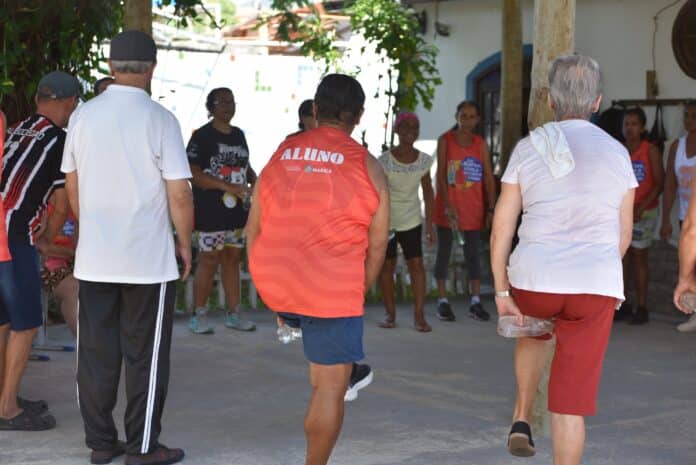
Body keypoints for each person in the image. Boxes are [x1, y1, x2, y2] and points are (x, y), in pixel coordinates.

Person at [491, 55, 636, 465]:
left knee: (533, 328)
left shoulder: (528, 147)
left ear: (551, 102)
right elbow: (622, 236)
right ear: (598, 102)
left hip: (535, 278)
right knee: (569, 405)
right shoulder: (618, 154)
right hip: (594, 284)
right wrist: (594, 274)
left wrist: (502, 291)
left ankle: (521, 414)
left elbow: (502, 227)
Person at [62, 30, 193, 465]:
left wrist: (95, 229)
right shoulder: (160, 120)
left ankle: (101, 444)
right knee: (146, 357)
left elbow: (73, 185)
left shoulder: (82, 117)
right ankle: (142, 447)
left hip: (95, 259)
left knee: (96, 355)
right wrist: (185, 241)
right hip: (148, 263)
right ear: (152, 68)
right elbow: (179, 193)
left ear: (111, 66)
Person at [247, 74, 389, 465]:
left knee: (322, 356)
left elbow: (253, 226)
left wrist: (264, 277)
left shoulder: (283, 152)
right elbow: (378, 245)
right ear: (358, 117)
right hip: (328, 289)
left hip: (275, 283)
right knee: (330, 387)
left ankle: (316, 343)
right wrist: (357, 292)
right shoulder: (369, 167)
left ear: (313, 109)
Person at [0, 71, 79, 431]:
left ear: (37, 100)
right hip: (14, 238)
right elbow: (61, 205)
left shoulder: (16, 128)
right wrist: (46, 240)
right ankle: (7, 409)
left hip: (1, 230)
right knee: (26, 324)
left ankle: (6, 396)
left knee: (3, 321)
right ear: (70, 104)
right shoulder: (60, 140)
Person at [186, 87, 257, 334]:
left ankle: (234, 314)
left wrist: (254, 179)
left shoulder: (238, 134)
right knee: (209, 258)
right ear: (211, 107)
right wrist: (225, 185)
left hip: (237, 211)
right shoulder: (202, 137)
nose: (228, 106)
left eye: (231, 101)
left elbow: (244, 164)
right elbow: (192, 173)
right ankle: (199, 315)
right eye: (223, 102)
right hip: (210, 211)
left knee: (232, 259)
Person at [433, 101, 496, 322]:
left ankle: (476, 302)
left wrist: (490, 208)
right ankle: (442, 301)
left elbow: (488, 177)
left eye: (471, 116)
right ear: (456, 117)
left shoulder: (480, 144)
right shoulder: (445, 141)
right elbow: (440, 175)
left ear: (478, 119)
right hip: (447, 210)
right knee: (444, 252)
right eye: (463, 115)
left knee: (473, 256)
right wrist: (448, 205)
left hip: (473, 209)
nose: (467, 120)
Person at [377, 112, 435, 332]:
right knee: (387, 267)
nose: (411, 130)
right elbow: (378, 193)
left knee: (416, 266)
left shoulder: (423, 161)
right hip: (388, 221)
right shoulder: (384, 161)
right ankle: (389, 314)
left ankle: (419, 316)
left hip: (411, 220)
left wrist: (429, 225)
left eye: (415, 127)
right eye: (406, 126)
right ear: (397, 130)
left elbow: (428, 194)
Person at [613, 108, 663, 325]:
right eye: (626, 124)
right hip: (623, 212)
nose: (629, 129)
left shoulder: (649, 150)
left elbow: (659, 183)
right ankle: (622, 305)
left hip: (644, 211)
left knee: (639, 258)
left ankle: (642, 307)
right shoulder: (619, 151)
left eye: (634, 124)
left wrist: (640, 208)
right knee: (621, 258)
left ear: (642, 128)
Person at [661, 101, 696, 332]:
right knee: (689, 266)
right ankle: (693, 313)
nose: (689, 120)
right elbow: (670, 185)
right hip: (686, 215)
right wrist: (665, 219)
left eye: (694, 115)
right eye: (687, 115)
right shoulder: (677, 146)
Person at [39, 193, 78, 336]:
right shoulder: (43, 206)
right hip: (46, 265)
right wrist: (68, 252)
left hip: (72, 264)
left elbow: (77, 246)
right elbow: (41, 246)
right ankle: (87, 347)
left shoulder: (75, 207)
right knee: (74, 290)